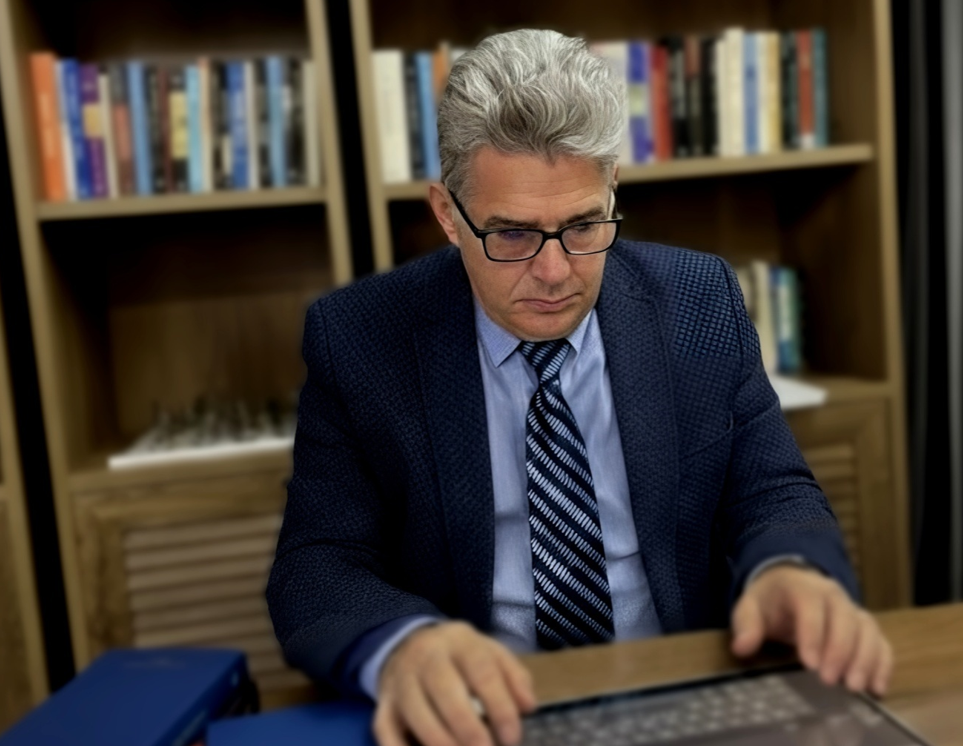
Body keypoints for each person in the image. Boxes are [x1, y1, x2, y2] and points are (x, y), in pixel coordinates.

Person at [267, 28, 892, 746]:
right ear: (446, 214)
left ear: (611, 189)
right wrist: (403, 645)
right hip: (481, 716)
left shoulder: (699, 300)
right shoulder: (359, 338)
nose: (555, 271)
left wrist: (788, 571)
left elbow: (772, 491)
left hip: (681, 700)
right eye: (511, 235)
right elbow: (318, 564)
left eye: (584, 225)